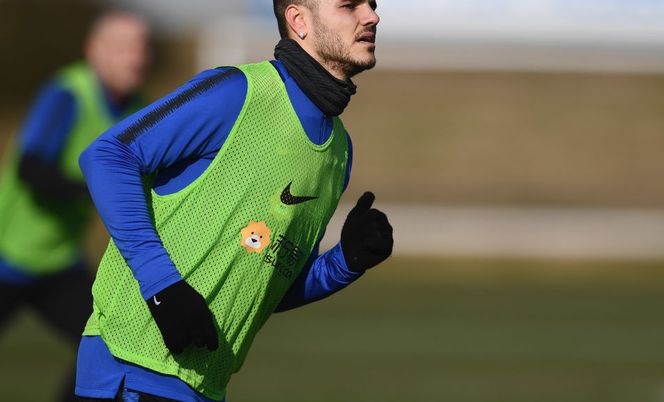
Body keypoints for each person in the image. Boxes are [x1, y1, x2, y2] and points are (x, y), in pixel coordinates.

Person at [74, 0, 392, 400]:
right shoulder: (236, 92)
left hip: (205, 388)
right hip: (132, 367)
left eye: (372, 5)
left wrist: (344, 263)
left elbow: (267, 285)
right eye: (350, 5)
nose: (372, 16)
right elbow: (108, 155)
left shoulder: (339, 153)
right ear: (298, 20)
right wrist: (162, 287)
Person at [0, 11, 150, 402]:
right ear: (94, 51)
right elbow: (32, 171)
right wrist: (99, 189)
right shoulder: (67, 94)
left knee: (112, 345)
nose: (137, 57)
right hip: (7, 254)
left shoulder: (139, 110)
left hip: (59, 262)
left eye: (142, 47)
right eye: (124, 47)